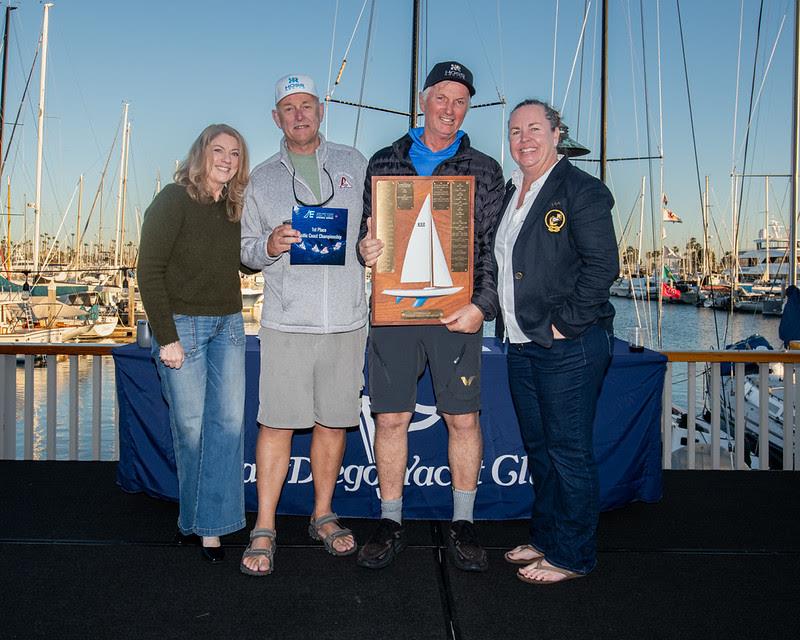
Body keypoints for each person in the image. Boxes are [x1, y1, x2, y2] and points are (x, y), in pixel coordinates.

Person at [357, 61, 505, 572]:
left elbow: (491, 248)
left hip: (455, 316)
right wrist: (366, 248)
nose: (450, 109)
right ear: (424, 99)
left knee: (462, 418)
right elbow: (366, 233)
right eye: (442, 97)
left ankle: (463, 522)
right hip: (393, 314)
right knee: (391, 418)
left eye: (460, 101)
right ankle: (391, 520)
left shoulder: (484, 168)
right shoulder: (383, 161)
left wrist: (481, 307)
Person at [239, 74, 368, 576]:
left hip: (346, 323)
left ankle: (323, 514)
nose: (299, 114)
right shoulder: (262, 178)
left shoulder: (355, 164)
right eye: (288, 108)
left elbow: (370, 233)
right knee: (275, 425)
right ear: (277, 118)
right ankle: (265, 525)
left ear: (321, 109)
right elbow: (246, 250)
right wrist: (267, 246)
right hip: (286, 323)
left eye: (306, 105)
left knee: (333, 422)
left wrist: (367, 248)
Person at [492, 99, 618, 583]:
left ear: (556, 132)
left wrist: (565, 324)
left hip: (568, 346)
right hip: (521, 344)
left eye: (534, 129)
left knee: (569, 452)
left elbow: (602, 266)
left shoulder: (581, 190)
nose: (524, 139)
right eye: (515, 130)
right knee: (540, 448)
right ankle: (547, 537)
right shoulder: (512, 193)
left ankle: (573, 554)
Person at [138, 124, 250, 563]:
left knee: (228, 428)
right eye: (218, 150)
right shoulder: (172, 200)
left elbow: (243, 264)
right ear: (200, 154)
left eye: (235, 153)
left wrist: (275, 246)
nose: (226, 158)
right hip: (183, 328)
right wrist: (166, 338)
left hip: (230, 326)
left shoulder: (234, 208)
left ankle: (210, 531)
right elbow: (148, 271)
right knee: (190, 427)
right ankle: (196, 521)